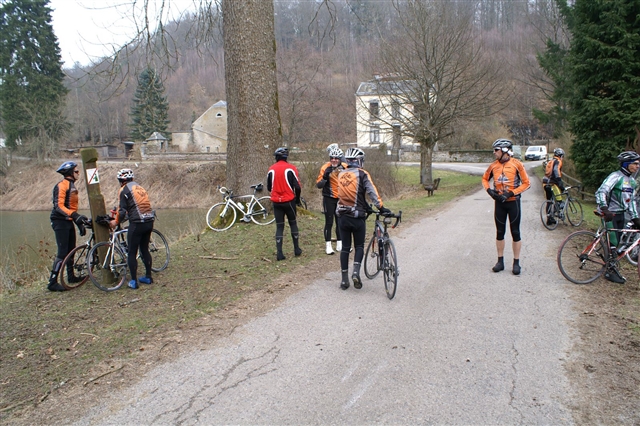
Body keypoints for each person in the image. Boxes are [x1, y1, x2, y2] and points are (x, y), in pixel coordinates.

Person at [336, 147, 389, 290]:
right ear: (359, 161)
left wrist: (365, 205)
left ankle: (344, 280)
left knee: (345, 248)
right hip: (357, 217)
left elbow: (347, 194)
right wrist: (381, 207)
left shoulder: (341, 174)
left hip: (342, 216)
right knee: (359, 246)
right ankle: (355, 272)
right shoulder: (362, 174)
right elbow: (371, 192)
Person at [482, 138, 531, 275]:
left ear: (505, 151)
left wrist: (510, 193)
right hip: (499, 203)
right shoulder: (493, 166)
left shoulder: (517, 164)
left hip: (513, 202)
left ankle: (516, 262)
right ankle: (500, 261)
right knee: (499, 232)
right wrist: (490, 191)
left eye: (496, 150)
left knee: (515, 232)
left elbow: (527, 183)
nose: (494, 152)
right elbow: (484, 179)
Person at [595, 151, 640, 284]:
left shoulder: (632, 182)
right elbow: (601, 191)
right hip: (610, 214)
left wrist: (635, 218)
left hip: (621, 215)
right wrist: (604, 208)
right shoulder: (615, 176)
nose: (637, 166)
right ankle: (609, 272)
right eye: (635, 163)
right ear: (626, 164)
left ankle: (611, 267)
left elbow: (631, 201)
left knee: (617, 243)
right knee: (613, 244)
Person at [108, 169, 155, 289]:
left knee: (131, 252)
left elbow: (122, 210)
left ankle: (133, 281)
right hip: (149, 221)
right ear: (132, 179)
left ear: (121, 181)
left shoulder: (124, 190)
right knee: (144, 249)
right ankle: (148, 277)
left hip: (137, 223)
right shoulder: (140, 188)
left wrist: (116, 222)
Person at [48, 161, 88, 291]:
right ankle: (52, 282)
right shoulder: (61, 185)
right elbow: (58, 206)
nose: (78, 173)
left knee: (71, 249)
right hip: (59, 221)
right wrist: (75, 216)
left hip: (68, 220)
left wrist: (78, 222)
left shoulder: (72, 186)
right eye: (76, 171)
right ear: (70, 172)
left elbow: (71, 207)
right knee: (62, 252)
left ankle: (71, 277)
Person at [267, 147, 303, 261]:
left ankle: (279, 253)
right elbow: (297, 187)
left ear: (277, 157)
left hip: (276, 202)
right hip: (289, 201)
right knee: (293, 223)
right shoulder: (291, 168)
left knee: (279, 226)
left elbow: (269, 187)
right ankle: (296, 249)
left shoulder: (271, 169)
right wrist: (297, 200)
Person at [316, 146, 348, 255]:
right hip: (328, 198)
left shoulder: (345, 167)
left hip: (341, 198)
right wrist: (326, 177)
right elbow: (318, 185)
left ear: (340, 159)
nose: (334, 160)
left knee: (340, 221)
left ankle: (340, 243)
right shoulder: (325, 167)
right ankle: (328, 245)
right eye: (332, 158)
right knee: (329, 222)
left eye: (336, 158)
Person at [543, 148, 566, 225]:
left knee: (549, 201)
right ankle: (555, 215)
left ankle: (549, 219)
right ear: (560, 155)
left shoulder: (551, 161)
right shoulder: (558, 161)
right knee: (559, 200)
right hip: (552, 183)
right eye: (562, 156)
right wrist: (560, 182)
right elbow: (556, 171)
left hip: (545, 183)